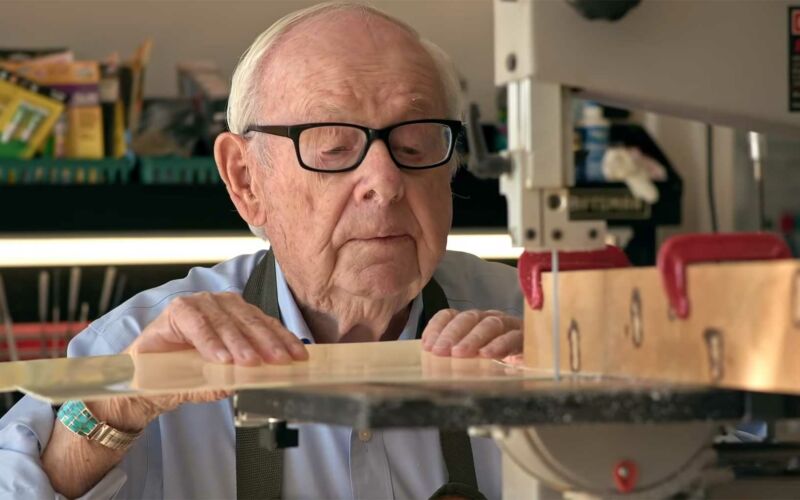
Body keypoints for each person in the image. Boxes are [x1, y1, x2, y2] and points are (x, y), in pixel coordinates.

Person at [0, 2, 523, 498]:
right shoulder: (136, 346)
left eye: (415, 144)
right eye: (333, 147)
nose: (385, 183)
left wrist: (561, 402)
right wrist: (112, 415)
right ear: (246, 179)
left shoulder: (533, 323)